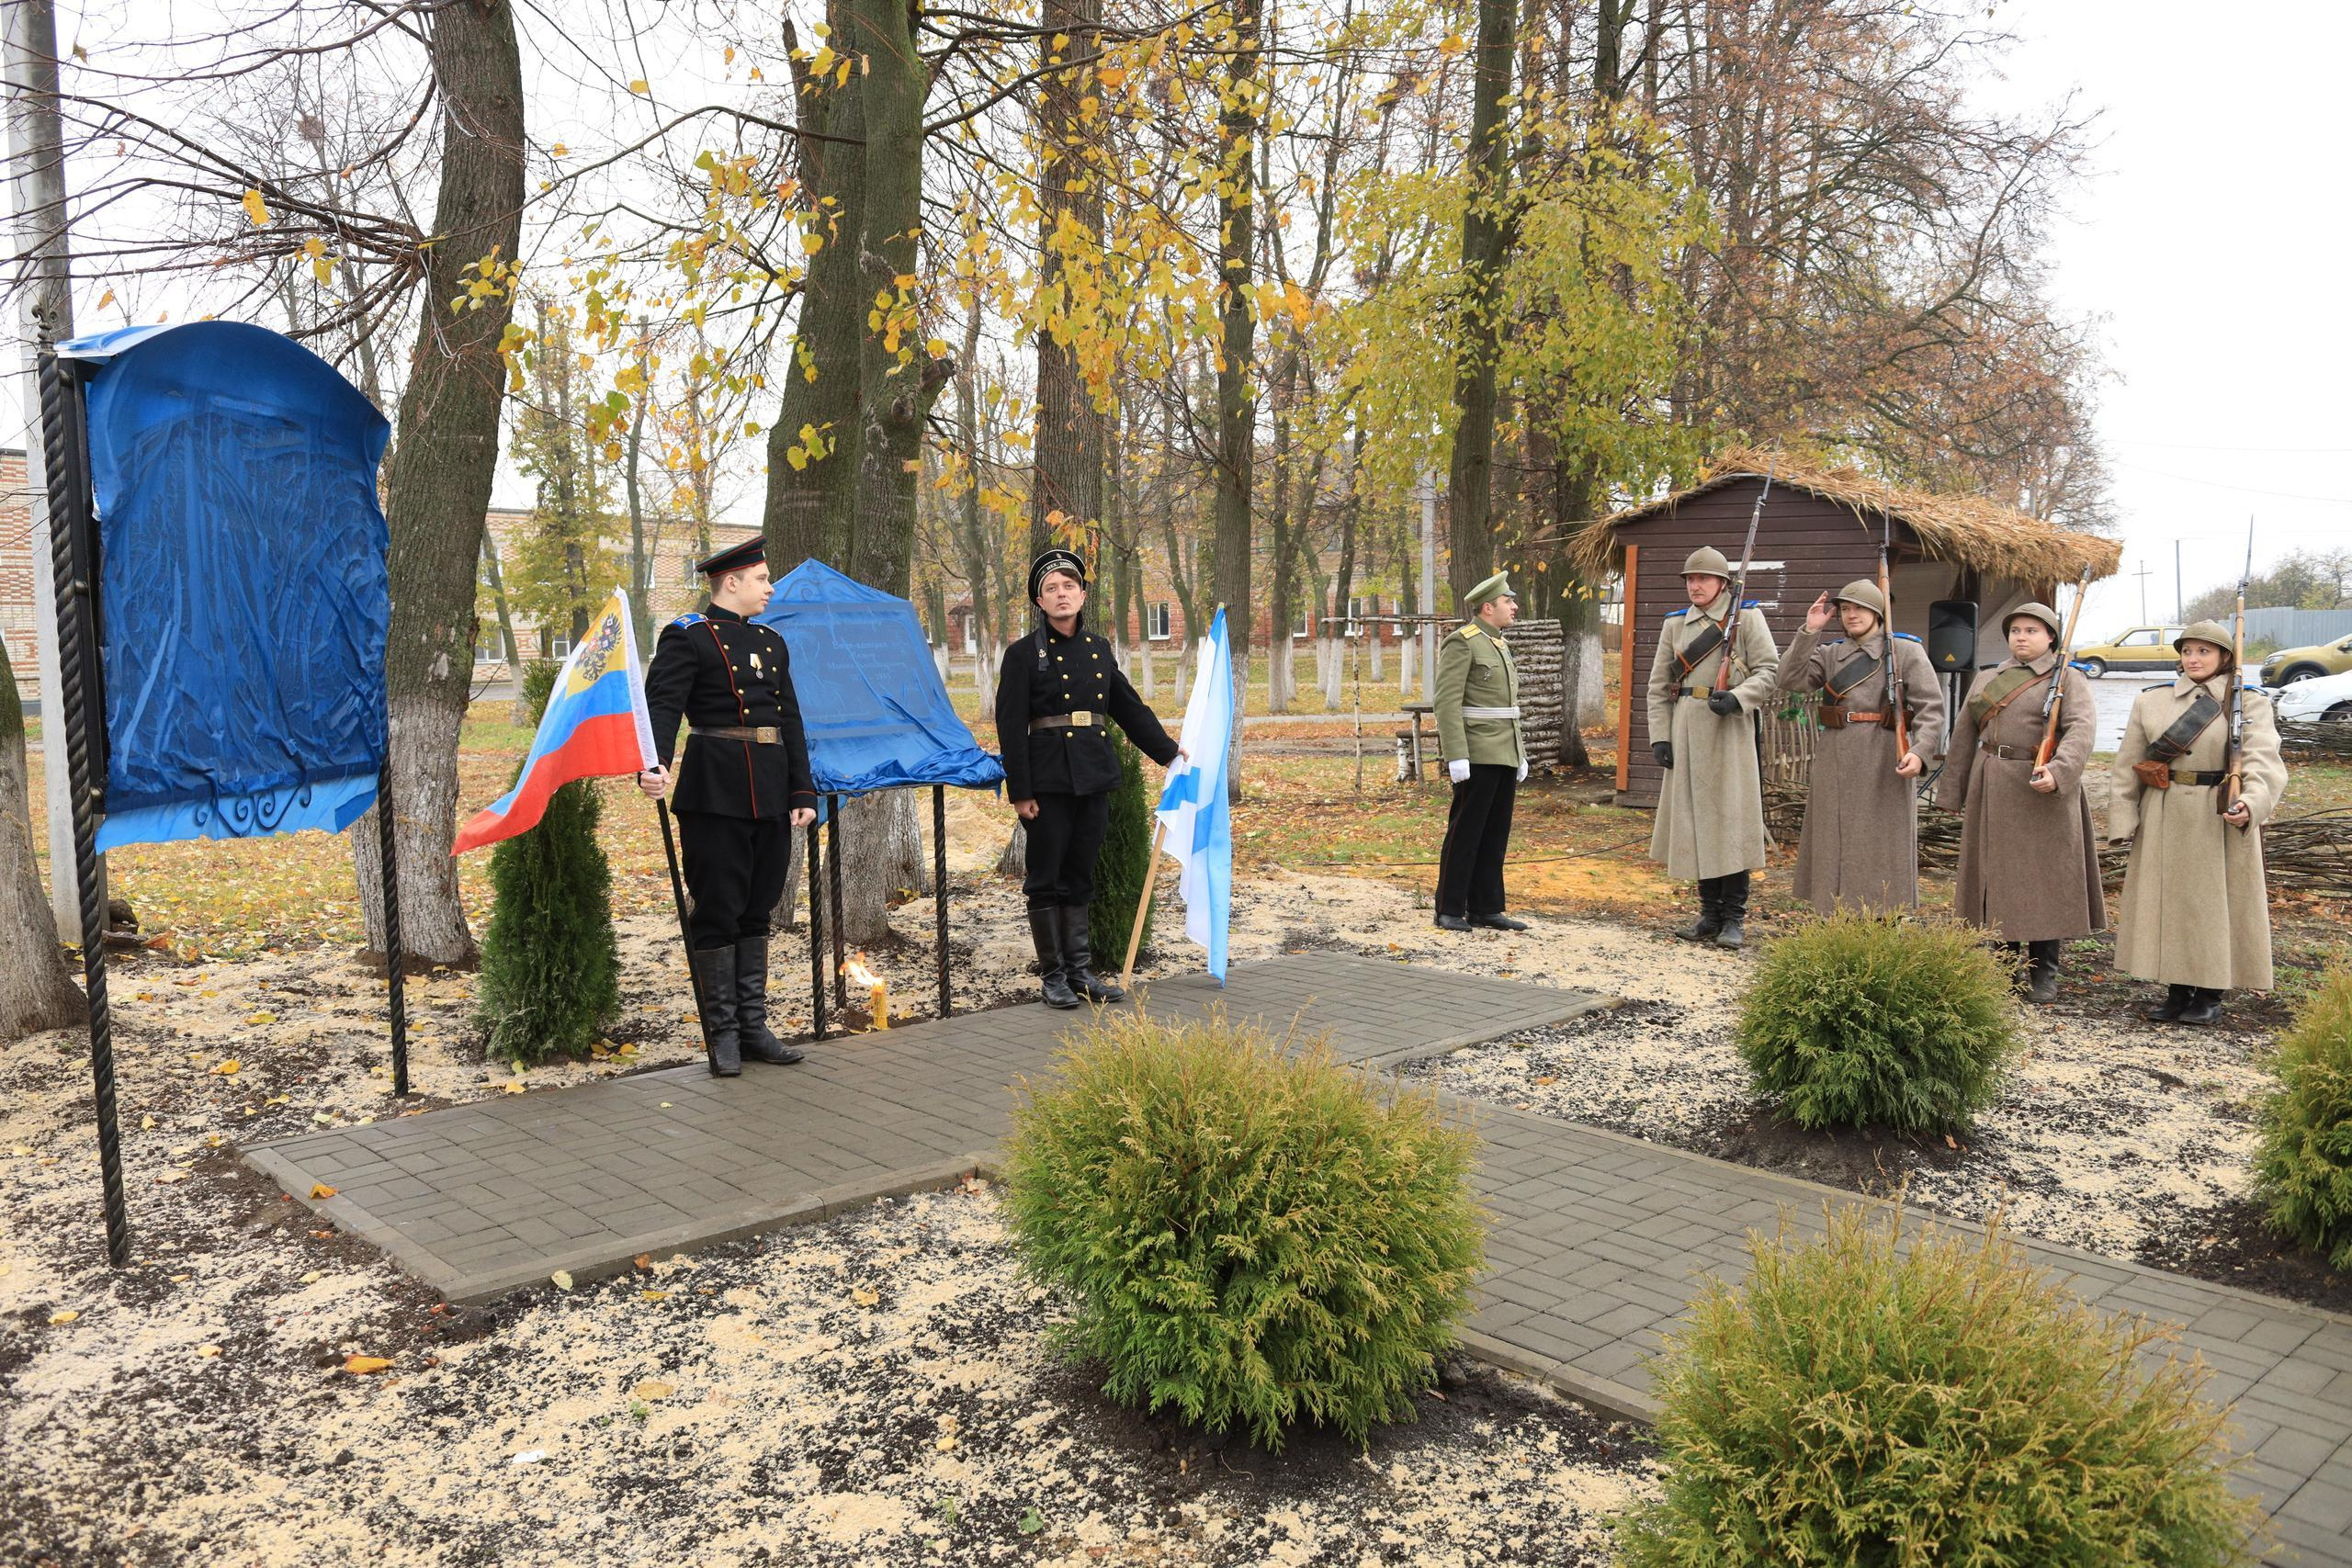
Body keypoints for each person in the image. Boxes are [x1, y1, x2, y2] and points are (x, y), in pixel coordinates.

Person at [638, 536, 820, 1076]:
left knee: (758, 907)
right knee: (718, 908)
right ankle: (722, 1035)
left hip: (769, 788)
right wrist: (656, 763)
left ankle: (752, 1025)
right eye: (763, 579)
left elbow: (789, 721)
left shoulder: (772, 641)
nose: (770, 587)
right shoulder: (687, 636)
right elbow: (663, 704)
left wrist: (802, 791)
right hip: (715, 789)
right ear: (731, 582)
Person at [996, 547, 1182, 1010]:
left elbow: (1126, 706)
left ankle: (1080, 972)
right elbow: (1010, 725)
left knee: (1080, 875)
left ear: (1082, 593)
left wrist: (1169, 752)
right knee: (1046, 878)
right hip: (1048, 781)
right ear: (1039, 601)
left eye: (1069, 586)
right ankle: (1053, 975)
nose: (1062, 595)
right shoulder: (1022, 655)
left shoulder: (1098, 648)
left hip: (1093, 776)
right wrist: (1021, 791)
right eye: (1051, 588)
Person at [2107, 621, 2286, 1024]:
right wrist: (2124, 817)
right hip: (2164, 812)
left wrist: (2251, 803)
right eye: (2187, 651)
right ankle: (2176, 990)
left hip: (2217, 815)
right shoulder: (2151, 702)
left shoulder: (2248, 704)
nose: (2194, 659)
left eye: (2204, 651)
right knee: (2169, 903)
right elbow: (2126, 765)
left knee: (2211, 907)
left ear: (2224, 657)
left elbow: (2264, 762)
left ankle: (2210, 993)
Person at [1934, 601, 2105, 1003]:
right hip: (1992, 785)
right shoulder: (1987, 678)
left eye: (2031, 630)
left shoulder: (2068, 679)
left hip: (2041, 787)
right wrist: (1953, 791)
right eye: (2016, 630)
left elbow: (2081, 730)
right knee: (1996, 880)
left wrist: (2060, 771)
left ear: (2050, 637)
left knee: (2046, 881)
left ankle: (2043, 971)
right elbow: (1962, 737)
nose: (2022, 637)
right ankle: (2006, 970)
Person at [1774, 580, 1945, 915]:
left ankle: (1882, 919)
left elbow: (1931, 709)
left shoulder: (1906, 652)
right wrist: (1809, 631)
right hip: (1835, 754)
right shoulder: (1831, 653)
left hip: (1884, 755)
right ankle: (1830, 914)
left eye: (1860, 608)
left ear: (1878, 613)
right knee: (1832, 837)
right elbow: (1789, 679)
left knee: (1881, 843)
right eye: (1847, 609)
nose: (1852, 615)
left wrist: (1920, 751)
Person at [1646, 547, 1781, 948]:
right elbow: (1658, 685)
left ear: (1722, 583)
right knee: (1695, 821)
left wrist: (1740, 697)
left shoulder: (1747, 618)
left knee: (1731, 821)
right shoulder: (1675, 625)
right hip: (1687, 728)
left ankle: (1734, 919)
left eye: (1703, 579)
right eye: (1690, 579)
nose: (1695, 585)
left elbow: (1769, 670)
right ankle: (1709, 914)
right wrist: (1661, 736)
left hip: (1728, 730)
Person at [1432, 571, 1532, 933]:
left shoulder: (1499, 644)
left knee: (1495, 833)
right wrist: (1455, 754)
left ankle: (1487, 907)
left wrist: (1519, 752)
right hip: (1475, 752)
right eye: (1508, 601)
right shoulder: (1463, 642)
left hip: (1503, 749)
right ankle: (1449, 907)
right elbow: (1447, 702)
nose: (1514, 606)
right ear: (1488, 607)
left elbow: (1506, 705)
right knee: (1466, 833)